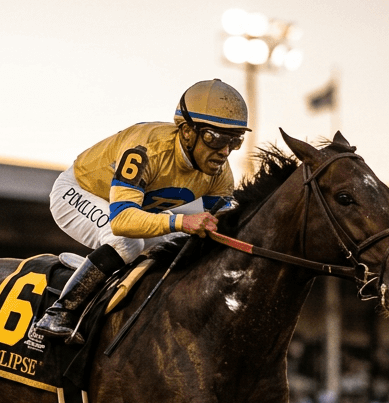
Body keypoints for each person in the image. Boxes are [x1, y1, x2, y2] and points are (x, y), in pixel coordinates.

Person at [33, 79, 249, 342]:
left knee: (181, 246)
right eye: (214, 138)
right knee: (125, 243)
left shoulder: (220, 172)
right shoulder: (146, 149)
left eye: (235, 141)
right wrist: (182, 222)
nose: (224, 151)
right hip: (79, 193)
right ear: (187, 131)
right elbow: (122, 220)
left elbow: (222, 229)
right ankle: (59, 313)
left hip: (132, 208)